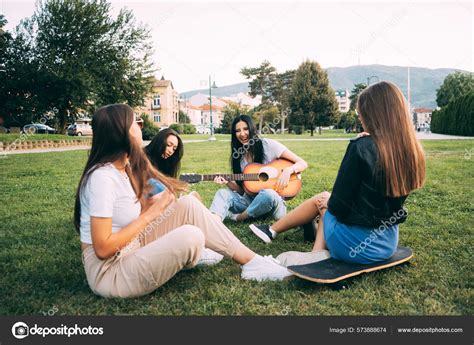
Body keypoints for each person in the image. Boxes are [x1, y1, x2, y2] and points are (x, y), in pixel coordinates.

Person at [74, 104, 292, 298]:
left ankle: (253, 262)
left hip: (134, 246)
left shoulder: (124, 168)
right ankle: (196, 252)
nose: (141, 126)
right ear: (121, 131)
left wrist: (151, 207)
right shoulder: (102, 177)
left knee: (188, 203)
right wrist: (152, 212)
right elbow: (102, 249)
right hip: (110, 272)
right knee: (192, 236)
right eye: (136, 123)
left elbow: (131, 217)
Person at [249, 81, 426, 267]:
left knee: (324, 200)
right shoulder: (410, 150)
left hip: (354, 247)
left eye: (360, 113)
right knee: (327, 201)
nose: (360, 119)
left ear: (373, 115)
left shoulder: (360, 148)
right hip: (388, 244)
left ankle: (314, 251)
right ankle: (287, 230)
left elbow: (339, 206)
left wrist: (328, 204)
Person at [210, 115, 308, 222]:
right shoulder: (239, 156)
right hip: (250, 203)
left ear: (252, 128)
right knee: (222, 193)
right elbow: (244, 191)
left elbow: (302, 163)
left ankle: (240, 217)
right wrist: (228, 181)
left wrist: (288, 171)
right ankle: (213, 223)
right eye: (238, 131)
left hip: (273, 204)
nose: (242, 134)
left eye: (246, 129)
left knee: (268, 194)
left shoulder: (268, 145)